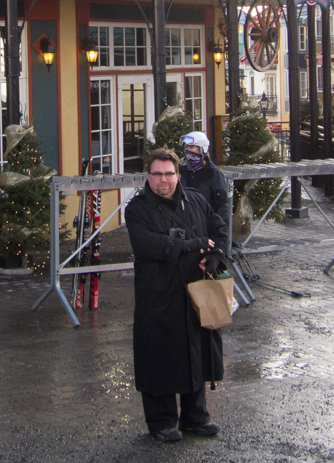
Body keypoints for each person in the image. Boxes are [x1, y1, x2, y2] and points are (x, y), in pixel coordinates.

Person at [125, 148, 228, 442]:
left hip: (195, 292)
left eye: (169, 174)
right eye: (157, 174)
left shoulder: (196, 200)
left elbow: (218, 230)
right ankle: (162, 421)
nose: (163, 180)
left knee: (195, 352)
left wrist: (215, 258)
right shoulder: (137, 209)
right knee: (159, 355)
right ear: (148, 176)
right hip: (157, 294)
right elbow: (147, 244)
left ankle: (195, 417)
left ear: (177, 174)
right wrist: (191, 244)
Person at [178, 132, 230, 232]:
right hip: (188, 227)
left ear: (202, 149)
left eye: (192, 147)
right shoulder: (184, 172)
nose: (188, 150)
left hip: (207, 227)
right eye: (187, 147)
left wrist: (221, 232)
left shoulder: (213, 173)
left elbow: (222, 206)